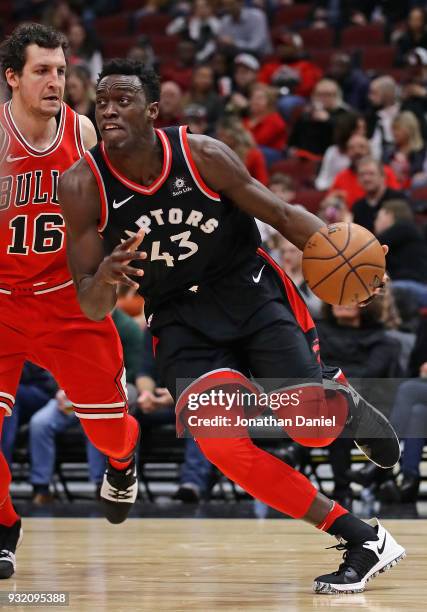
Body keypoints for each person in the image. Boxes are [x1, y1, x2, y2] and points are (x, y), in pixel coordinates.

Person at [59, 59, 405, 594]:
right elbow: (91, 305)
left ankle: (341, 398)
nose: (107, 110)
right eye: (101, 101)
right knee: (221, 442)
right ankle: (361, 537)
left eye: (122, 99)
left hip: (249, 291)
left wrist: (349, 259)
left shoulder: (201, 155)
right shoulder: (82, 184)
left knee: (307, 426)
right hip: (179, 318)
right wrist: (103, 275)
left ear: (152, 111)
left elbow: (284, 214)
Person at [0, 24, 141, 579]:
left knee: (108, 428)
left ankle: (123, 462)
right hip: (3, 302)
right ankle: (5, 527)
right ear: (12, 77)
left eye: (60, 70)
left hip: (67, 301)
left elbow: (115, 202)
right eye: (42, 70)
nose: (55, 81)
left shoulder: (81, 132)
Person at [352, 157, 407, 232]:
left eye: (371, 173)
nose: (366, 178)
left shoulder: (398, 199)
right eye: (362, 174)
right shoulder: (357, 207)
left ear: (383, 177)